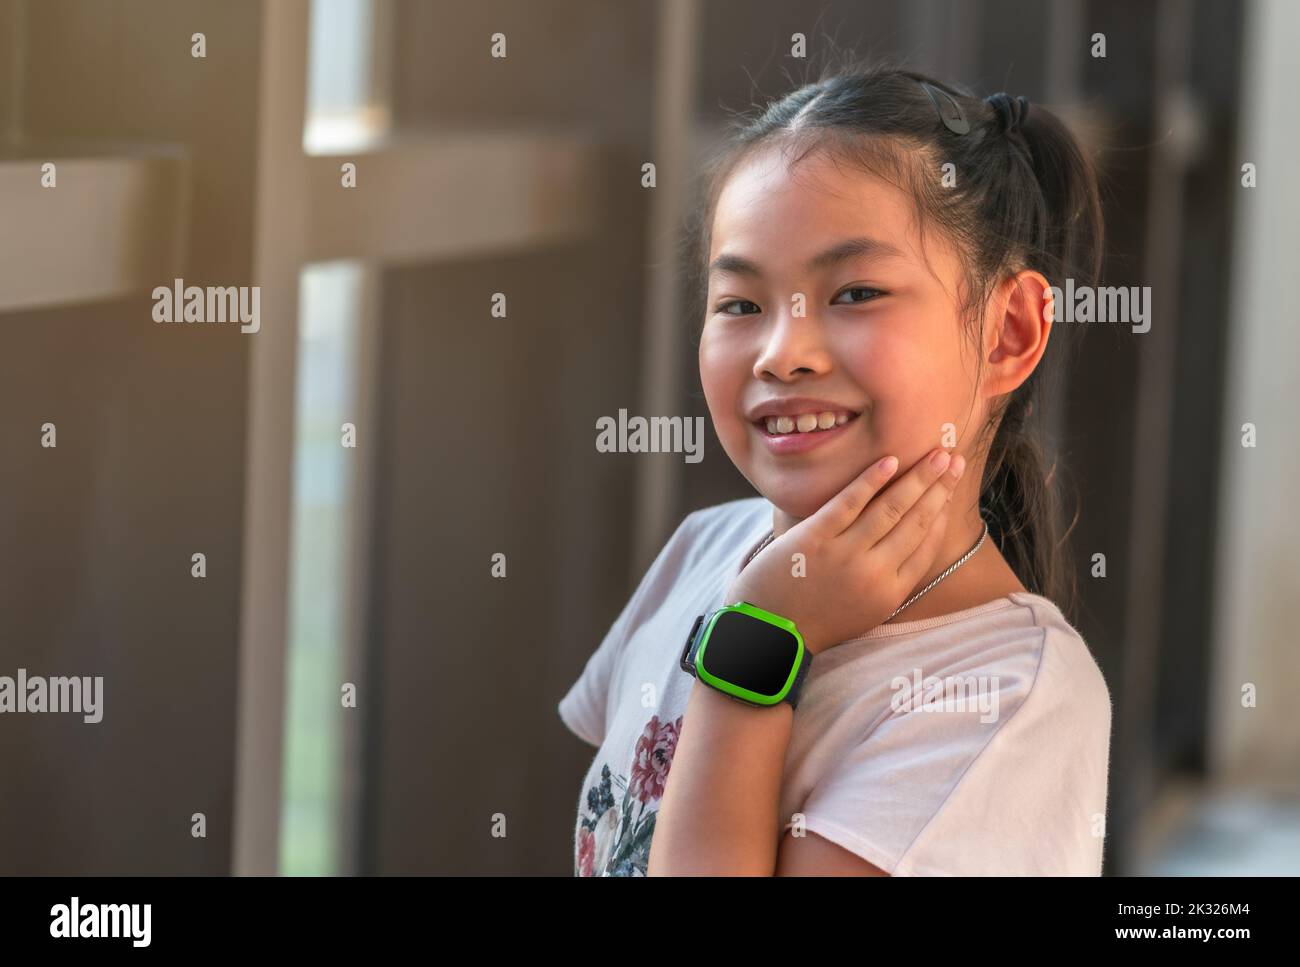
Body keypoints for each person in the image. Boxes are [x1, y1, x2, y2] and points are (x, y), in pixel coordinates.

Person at [558, 60, 1112, 876]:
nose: (783, 354)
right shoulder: (705, 550)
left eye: (854, 293)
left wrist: (756, 646)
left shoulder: (1009, 696)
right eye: (740, 304)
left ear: (1010, 332)